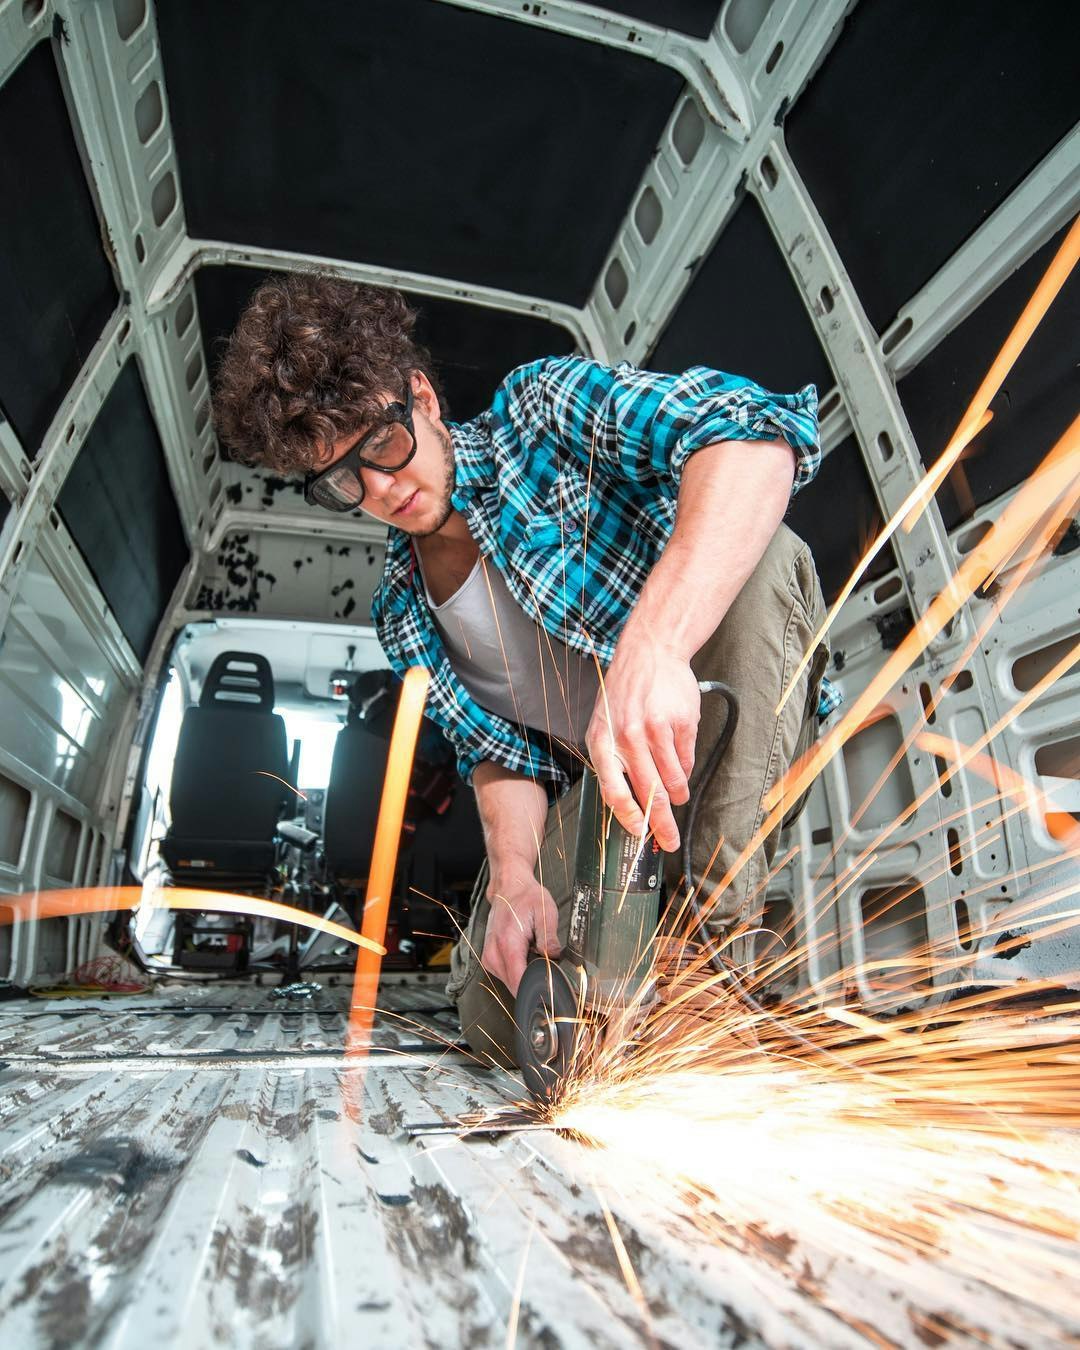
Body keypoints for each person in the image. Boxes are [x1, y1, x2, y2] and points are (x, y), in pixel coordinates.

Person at [214, 274, 835, 1068]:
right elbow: (498, 753)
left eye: (382, 443)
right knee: (496, 1007)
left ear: (423, 396)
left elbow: (755, 435)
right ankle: (629, 988)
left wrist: (655, 646)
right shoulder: (400, 613)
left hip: (721, 710)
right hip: (613, 784)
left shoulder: (539, 414)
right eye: (342, 481)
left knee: (765, 555)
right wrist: (513, 876)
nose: (381, 487)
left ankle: (708, 974)